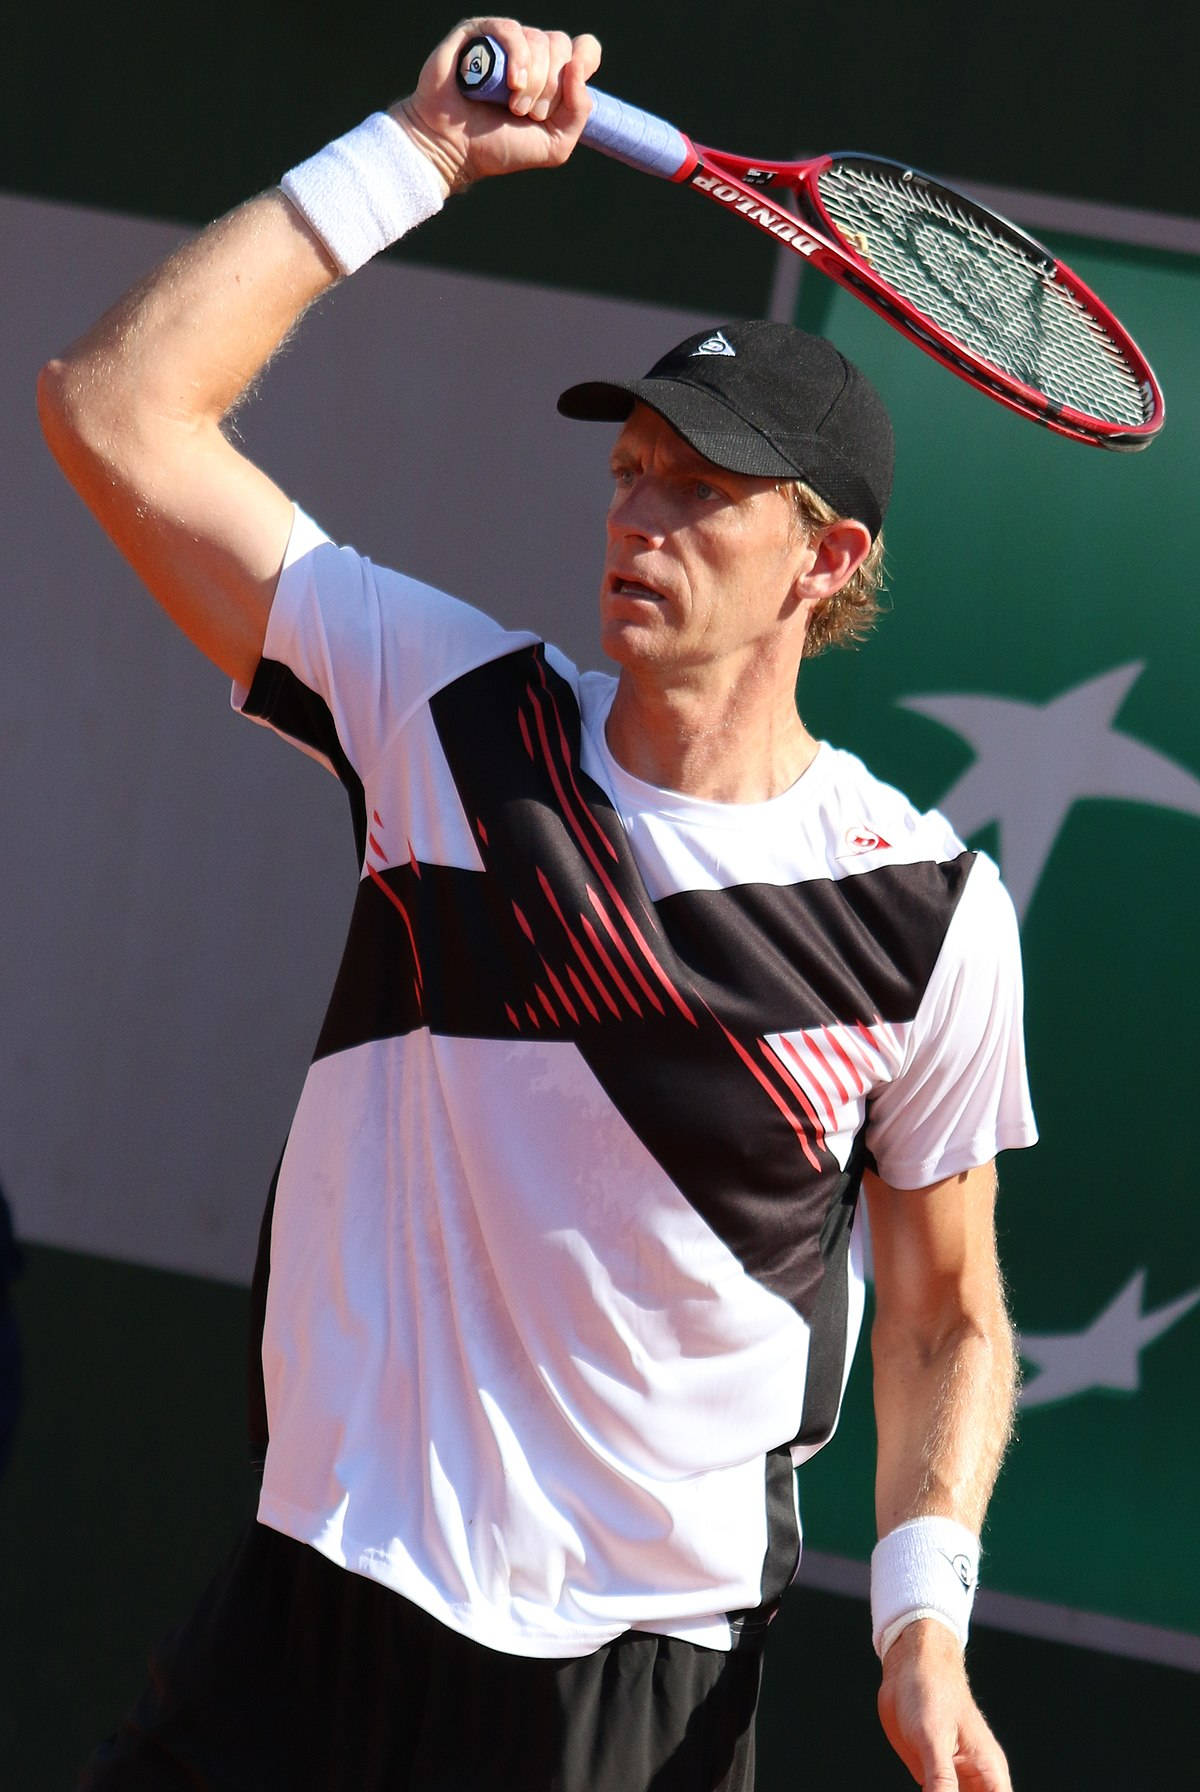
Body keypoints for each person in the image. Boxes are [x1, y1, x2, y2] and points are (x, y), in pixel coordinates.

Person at [39, 17, 1037, 1791]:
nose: (640, 517)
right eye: (630, 470)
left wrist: (923, 1623)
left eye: (704, 491)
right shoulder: (447, 712)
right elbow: (114, 408)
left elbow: (951, 1308)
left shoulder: (930, 916)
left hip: (637, 1684)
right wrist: (410, 154)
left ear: (828, 559)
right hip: (324, 1603)